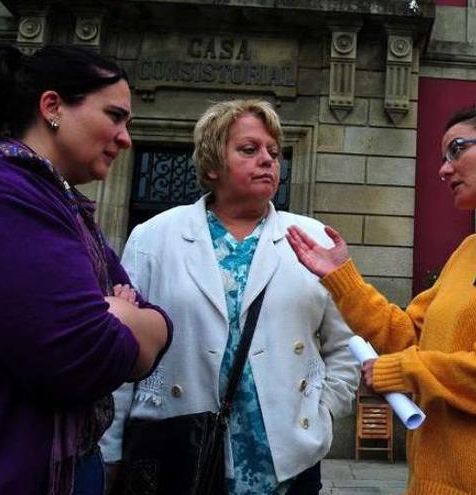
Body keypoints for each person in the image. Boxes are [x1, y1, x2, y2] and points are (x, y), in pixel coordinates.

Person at [286, 107, 476, 495]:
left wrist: (405, 372)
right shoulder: (468, 248)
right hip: (430, 483)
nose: (444, 170)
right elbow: (407, 335)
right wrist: (340, 277)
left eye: (457, 150)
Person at [100, 99, 360, 495]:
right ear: (211, 164)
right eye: (249, 150)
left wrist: (322, 411)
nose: (268, 160)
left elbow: (346, 346)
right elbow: (123, 349)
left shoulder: (312, 238)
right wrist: (111, 449)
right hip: (178, 446)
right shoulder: (154, 237)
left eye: (273, 152)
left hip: (285, 458)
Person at [0, 43, 173, 495]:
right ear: (53, 106)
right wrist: (119, 315)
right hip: (9, 473)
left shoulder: (62, 202)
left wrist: (117, 314)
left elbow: (161, 327)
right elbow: (84, 355)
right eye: (115, 116)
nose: (125, 138)